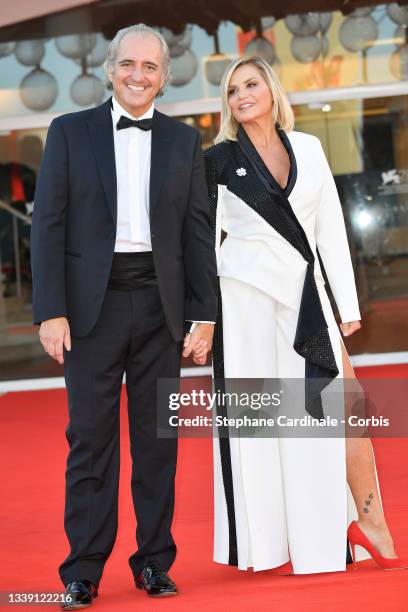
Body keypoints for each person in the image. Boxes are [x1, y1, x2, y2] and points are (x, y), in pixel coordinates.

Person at [31, 24, 217, 607]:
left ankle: (154, 562)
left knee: (158, 444)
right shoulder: (68, 132)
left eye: (151, 67)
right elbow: (48, 227)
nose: (139, 75)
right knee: (90, 441)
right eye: (129, 64)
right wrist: (51, 310)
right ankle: (82, 570)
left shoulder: (185, 142)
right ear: (110, 68)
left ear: (164, 77)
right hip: (90, 310)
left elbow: (196, 234)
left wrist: (203, 316)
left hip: (160, 310)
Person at [204, 55, 406, 575]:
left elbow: (331, 231)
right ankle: (267, 542)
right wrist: (200, 313)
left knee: (337, 411)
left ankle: (355, 523)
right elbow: (200, 240)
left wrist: (347, 304)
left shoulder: (310, 149)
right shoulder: (218, 161)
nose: (241, 95)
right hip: (245, 301)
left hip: (308, 300)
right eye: (232, 90)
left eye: (251, 84)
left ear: (272, 89)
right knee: (262, 423)